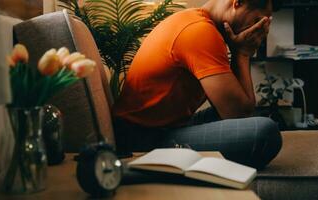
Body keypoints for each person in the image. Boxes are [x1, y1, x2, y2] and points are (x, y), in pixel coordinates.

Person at [113, 0, 282, 169]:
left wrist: (240, 51)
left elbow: (242, 108)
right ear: (237, 3)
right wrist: (243, 53)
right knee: (266, 132)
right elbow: (236, 115)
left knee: (245, 120)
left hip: (168, 125)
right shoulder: (200, 31)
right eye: (257, 21)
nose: (261, 31)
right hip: (142, 138)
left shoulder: (197, 22)